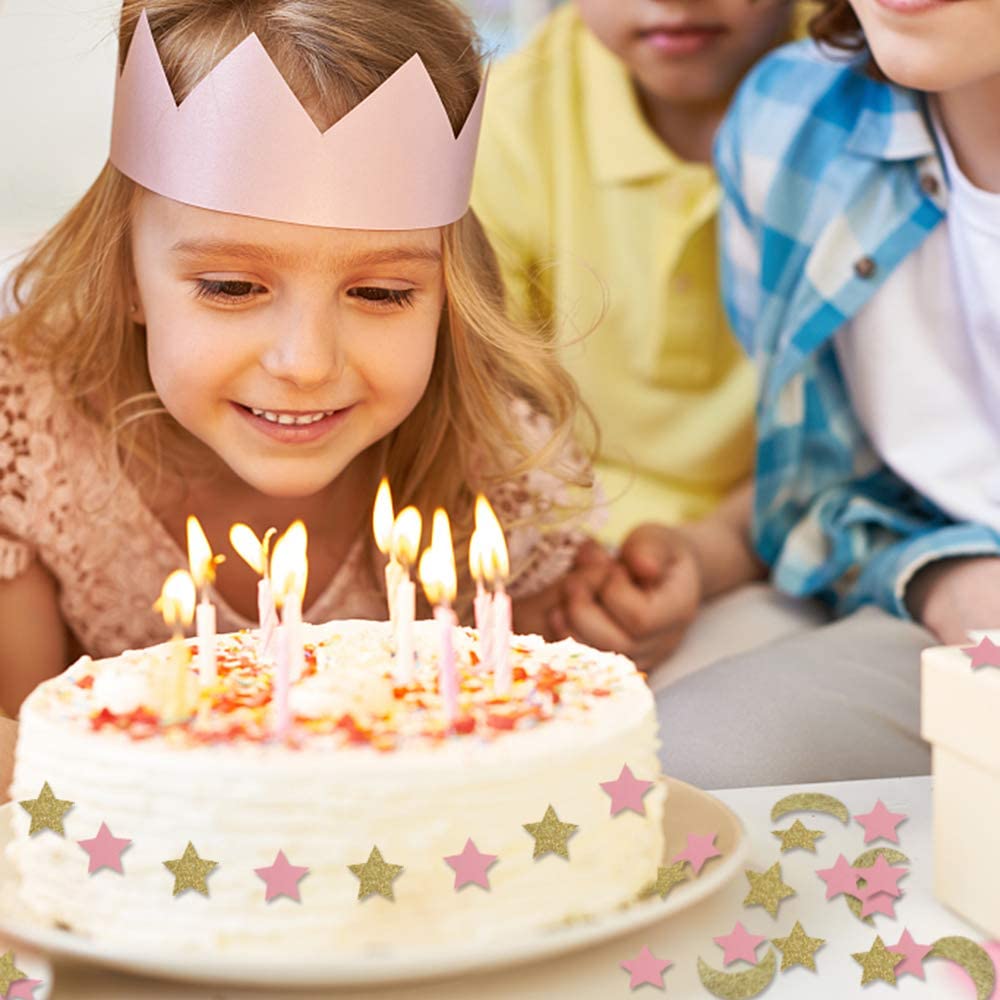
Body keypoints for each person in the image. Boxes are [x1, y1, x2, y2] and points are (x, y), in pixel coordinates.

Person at [0, 0, 599, 717]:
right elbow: (23, 769)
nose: (306, 363)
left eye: (380, 292)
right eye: (231, 287)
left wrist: (617, 608)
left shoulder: (495, 469)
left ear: (448, 291)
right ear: (127, 275)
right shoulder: (27, 452)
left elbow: (531, 721)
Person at [659, 0, 1000, 786]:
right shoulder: (791, 124)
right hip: (947, 623)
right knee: (688, 764)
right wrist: (943, 577)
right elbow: (825, 490)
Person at [471, 0, 811, 672]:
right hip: (556, 561)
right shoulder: (503, 128)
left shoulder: (879, 94)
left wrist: (709, 551)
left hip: (803, 556)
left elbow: (873, 446)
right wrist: (563, 573)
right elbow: (479, 422)